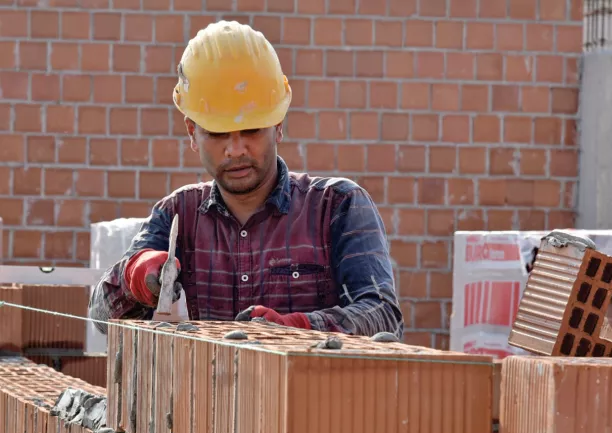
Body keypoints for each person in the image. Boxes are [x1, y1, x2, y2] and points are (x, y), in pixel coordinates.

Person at [89, 20, 403, 339]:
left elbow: (383, 315)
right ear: (192, 132)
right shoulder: (178, 214)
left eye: (251, 130)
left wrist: (297, 329)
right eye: (218, 133)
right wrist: (134, 277)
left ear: (278, 125)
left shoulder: (337, 206)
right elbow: (101, 318)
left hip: (310, 374)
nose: (236, 150)